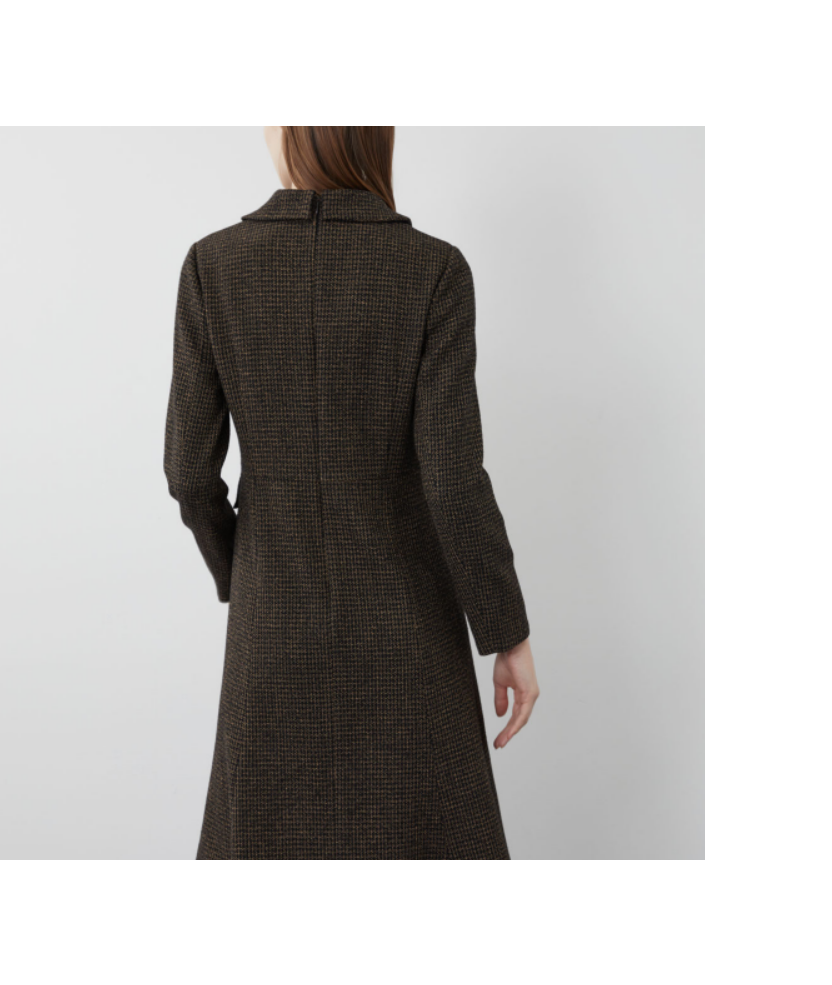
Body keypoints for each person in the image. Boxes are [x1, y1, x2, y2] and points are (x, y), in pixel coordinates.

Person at [164, 126, 539, 860]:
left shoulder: (213, 266)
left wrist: (243, 570)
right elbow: (453, 479)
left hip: (271, 630)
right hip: (408, 636)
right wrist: (506, 631)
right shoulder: (434, 270)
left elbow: (188, 473)